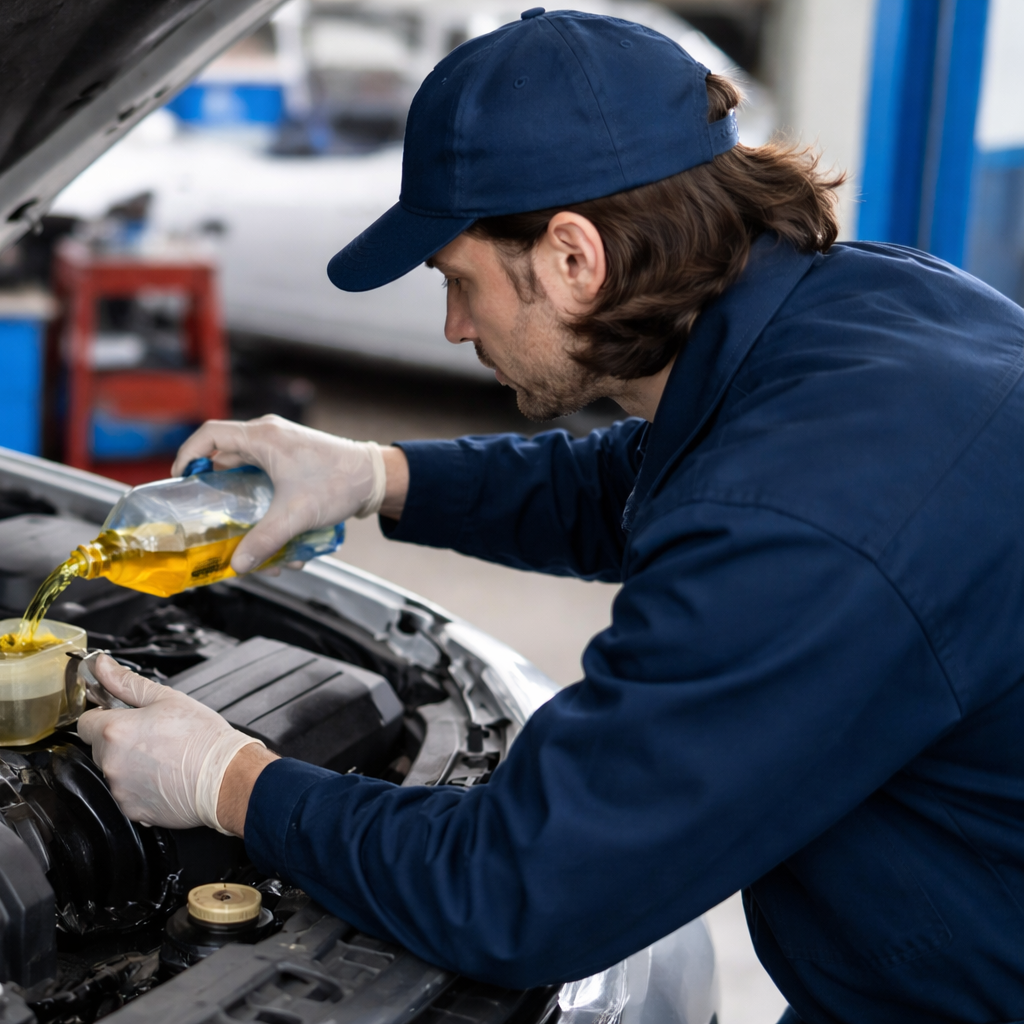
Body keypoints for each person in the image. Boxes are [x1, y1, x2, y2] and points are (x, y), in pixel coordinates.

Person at [77, 10, 1024, 1023]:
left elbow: (522, 891)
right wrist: (372, 474)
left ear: (574, 257)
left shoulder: (808, 518)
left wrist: (232, 782)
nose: (452, 326)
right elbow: (652, 478)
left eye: (458, 281)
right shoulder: (863, 311)